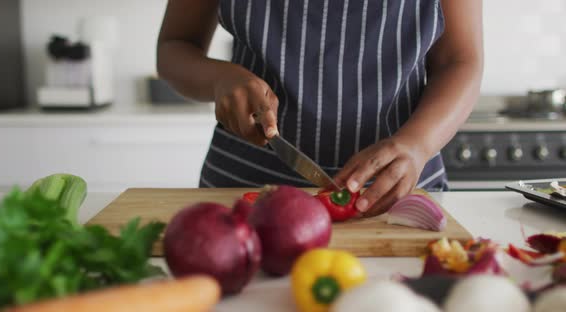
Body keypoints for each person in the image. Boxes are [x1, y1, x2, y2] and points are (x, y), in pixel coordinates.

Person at [157, 0, 483, 217]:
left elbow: (461, 60)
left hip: (396, 204)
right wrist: (219, 79)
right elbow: (174, 47)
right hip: (243, 192)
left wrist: (418, 144)